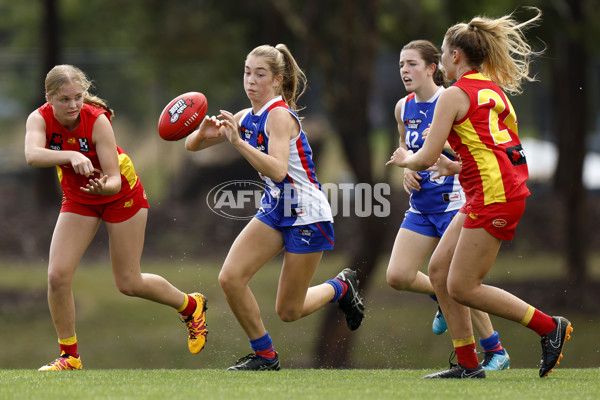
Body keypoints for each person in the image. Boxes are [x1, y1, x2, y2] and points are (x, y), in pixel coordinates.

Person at [386, 8, 573, 379]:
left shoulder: (452, 95)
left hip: (494, 195)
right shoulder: (490, 87)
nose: (440, 62)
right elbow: (494, 149)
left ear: (455, 56)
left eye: (441, 54)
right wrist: (455, 167)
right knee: (438, 273)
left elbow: (424, 155)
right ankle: (469, 364)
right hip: (491, 190)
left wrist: (406, 160)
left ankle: (549, 327)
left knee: (462, 286)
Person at [185, 44, 365, 371]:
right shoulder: (244, 117)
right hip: (275, 208)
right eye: (247, 72)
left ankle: (340, 286)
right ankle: (265, 356)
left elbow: (279, 170)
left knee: (289, 311)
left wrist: (237, 143)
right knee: (230, 278)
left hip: (306, 214)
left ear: (278, 80)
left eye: (260, 74)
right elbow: (192, 146)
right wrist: (202, 133)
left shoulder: (279, 116)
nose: (251, 81)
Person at [24, 65, 208, 371]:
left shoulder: (96, 121)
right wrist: (71, 156)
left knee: (129, 282)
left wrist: (101, 186)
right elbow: (32, 154)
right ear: (49, 98)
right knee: (57, 277)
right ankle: (70, 357)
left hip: (121, 195)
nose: (72, 105)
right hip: (79, 198)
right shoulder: (38, 118)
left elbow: (112, 179)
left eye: (77, 97)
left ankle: (191, 306)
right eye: (64, 99)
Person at [386, 39, 509, 371]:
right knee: (397, 276)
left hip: (456, 204)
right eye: (400, 65)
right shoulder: (402, 108)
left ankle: (495, 350)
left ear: (431, 68)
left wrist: (423, 163)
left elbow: (464, 156)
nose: (404, 71)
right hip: (422, 207)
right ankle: (440, 298)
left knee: (461, 284)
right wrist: (406, 175)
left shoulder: (450, 99)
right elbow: (406, 151)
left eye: (411, 64)